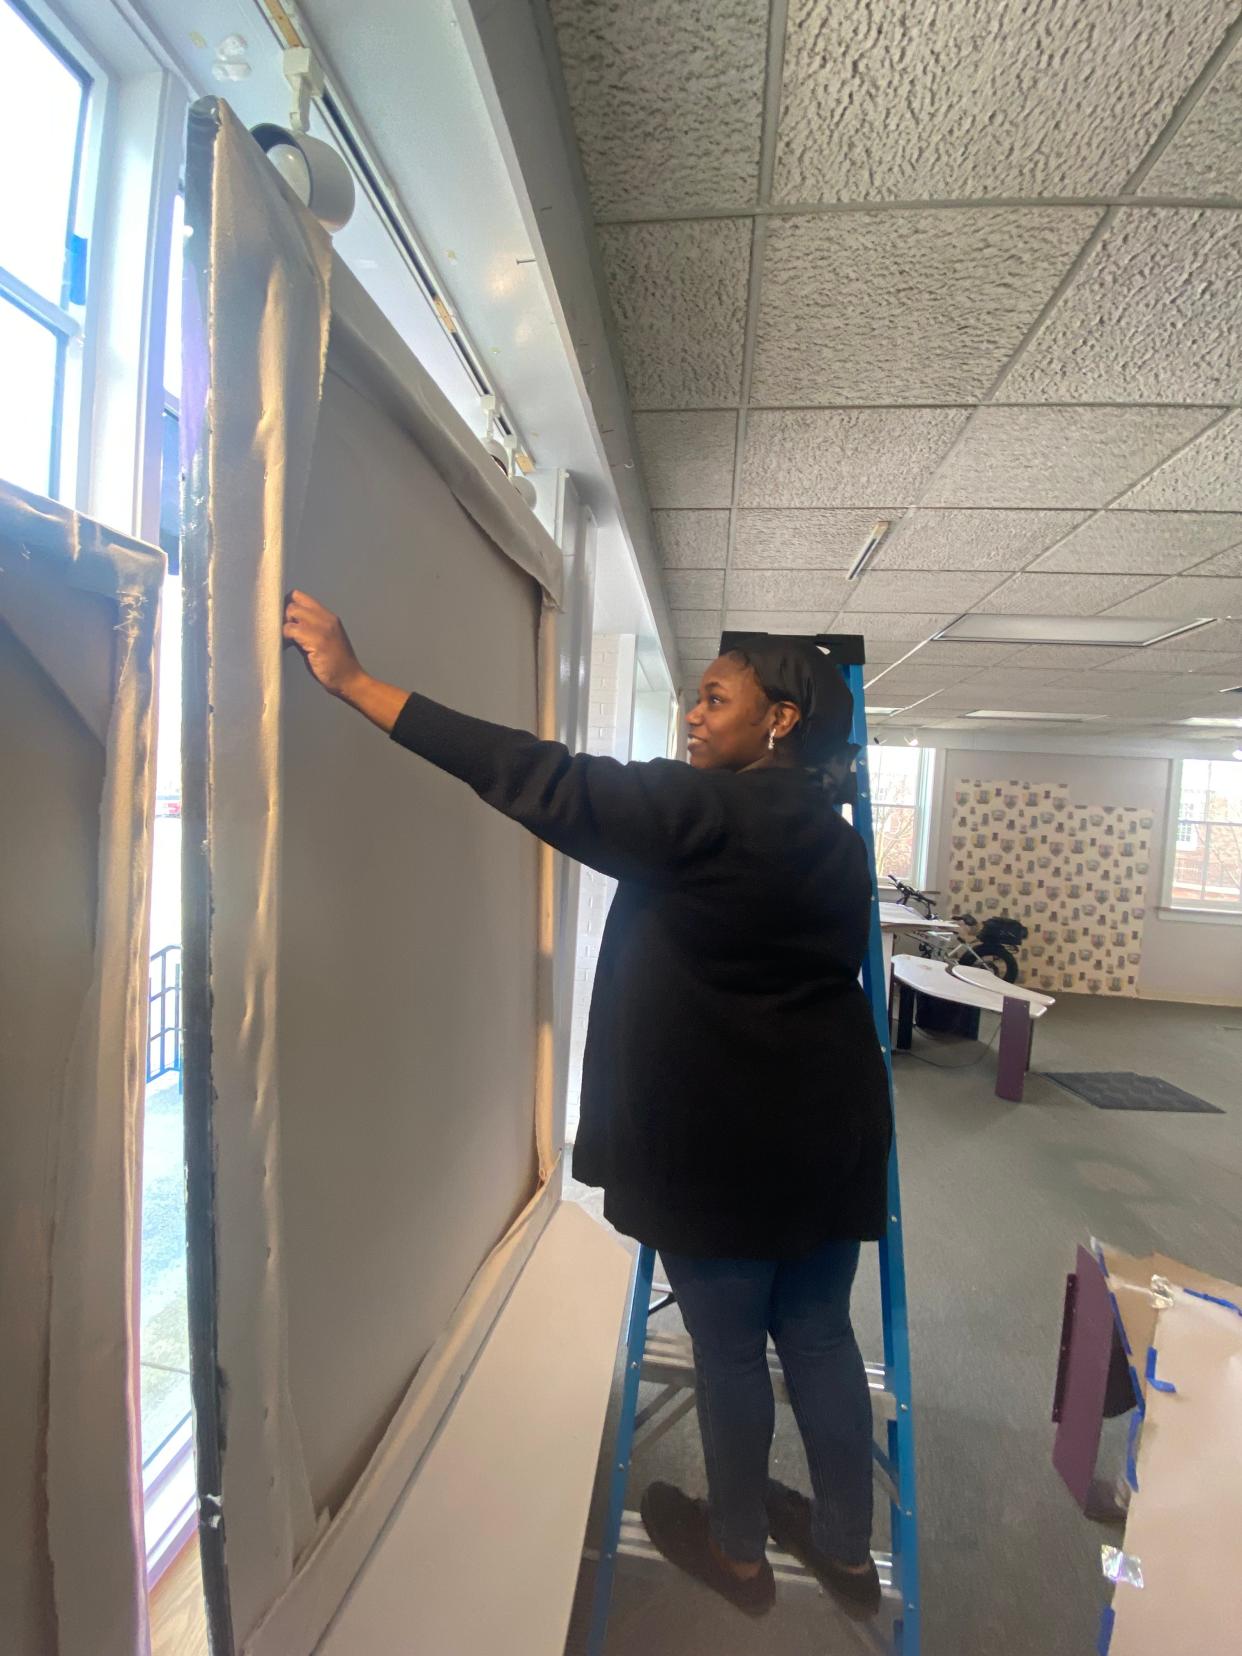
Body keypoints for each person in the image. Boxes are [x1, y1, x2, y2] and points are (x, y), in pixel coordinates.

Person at [282, 591, 893, 1622]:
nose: (692, 717)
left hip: (720, 1149)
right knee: (822, 1334)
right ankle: (843, 1548)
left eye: (714, 699)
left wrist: (352, 682)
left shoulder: (699, 814)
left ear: (780, 719)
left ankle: (739, 1553)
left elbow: (530, 774)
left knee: (733, 1349)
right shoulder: (836, 840)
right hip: (830, 1134)